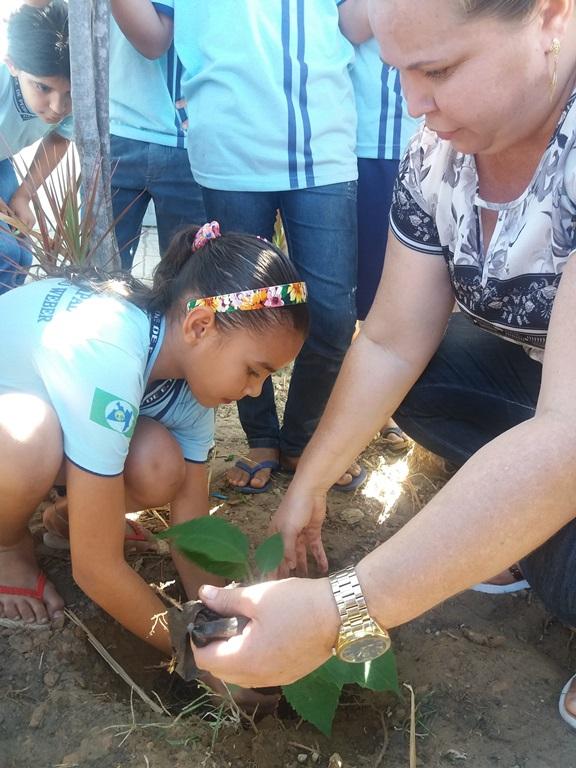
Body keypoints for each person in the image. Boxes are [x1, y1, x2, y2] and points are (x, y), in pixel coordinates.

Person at [190, 0, 576, 731]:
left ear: (551, 15)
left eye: (439, 70)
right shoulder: (440, 153)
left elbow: (569, 436)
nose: (413, 104)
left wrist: (340, 610)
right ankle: (518, 520)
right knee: (422, 376)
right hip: (545, 380)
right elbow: (393, 340)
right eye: (399, 71)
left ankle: (539, 541)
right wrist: (310, 482)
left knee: (568, 578)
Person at [0, 221, 308, 688]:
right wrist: (196, 657)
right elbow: (95, 569)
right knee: (30, 437)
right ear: (200, 325)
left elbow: (190, 521)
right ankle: (6, 546)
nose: (254, 391)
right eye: (253, 371)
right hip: (16, 434)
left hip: (40, 417)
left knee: (161, 464)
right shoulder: (110, 351)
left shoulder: (189, 374)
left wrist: (219, 615)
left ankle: (70, 519)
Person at [110, 0, 364, 494]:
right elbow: (154, 37)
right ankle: (262, 438)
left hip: (324, 139)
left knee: (333, 315)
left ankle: (303, 437)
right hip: (228, 146)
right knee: (234, 311)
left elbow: (352, 23)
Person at [341, 22, 419, 451]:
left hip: (425, 139)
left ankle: (390, 404)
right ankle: (353, 405)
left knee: (408, 287)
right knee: (356, 290)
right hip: (356, 142)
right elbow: (349, 25)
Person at [108, 13, 206, 271]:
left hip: (184, 140)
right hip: (116, 127)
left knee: (189, 277)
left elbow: (154, 43)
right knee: (98, 276)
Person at [0, 0, 73, 293]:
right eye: (43, 87)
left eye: (68, 93)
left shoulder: (77, 94)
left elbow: (60, 137)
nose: (58, 107)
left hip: (2, 159)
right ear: (12, 65)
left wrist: (23, 195)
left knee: (21, 255)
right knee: (4, 253)